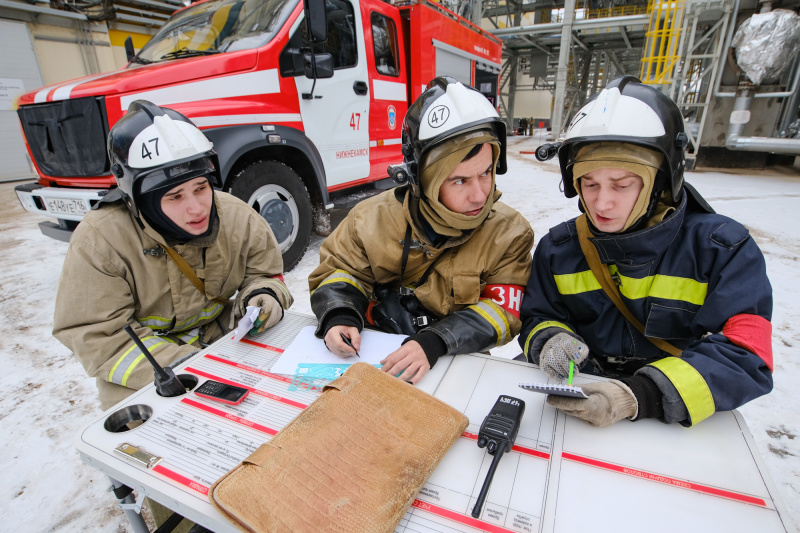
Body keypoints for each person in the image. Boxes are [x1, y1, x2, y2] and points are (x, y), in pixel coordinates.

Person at [519, 75, 773, 428]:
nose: (601, 202)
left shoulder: (723, 250)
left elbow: (747, 355)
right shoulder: (558, 249)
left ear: (661, 183)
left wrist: (639, 394)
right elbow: (538, 315)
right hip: (576, 400)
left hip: (669, 414)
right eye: (589, 184)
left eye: (621, 185)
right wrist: (550, 339)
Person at [53, 100, 293, 411]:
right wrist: (183, 365)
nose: (196, 207)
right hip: (145, 367)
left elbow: (265, 273)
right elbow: (96, 335)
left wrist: (265, 296)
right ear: (144, 199)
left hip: (223, 343)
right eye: (175, 196)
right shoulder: (101, 240)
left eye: (200, 187)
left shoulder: (238, 217)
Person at [308, 77, 534, 384]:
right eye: (460, 181)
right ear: (422, 179)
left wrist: (437, 340)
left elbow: (502, 312)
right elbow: (339, 272)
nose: (480, 195)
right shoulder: (369, 220)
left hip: (455, 360)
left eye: (486, 173)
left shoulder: (509, 234)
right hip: (373, 354)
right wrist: (339, 315)